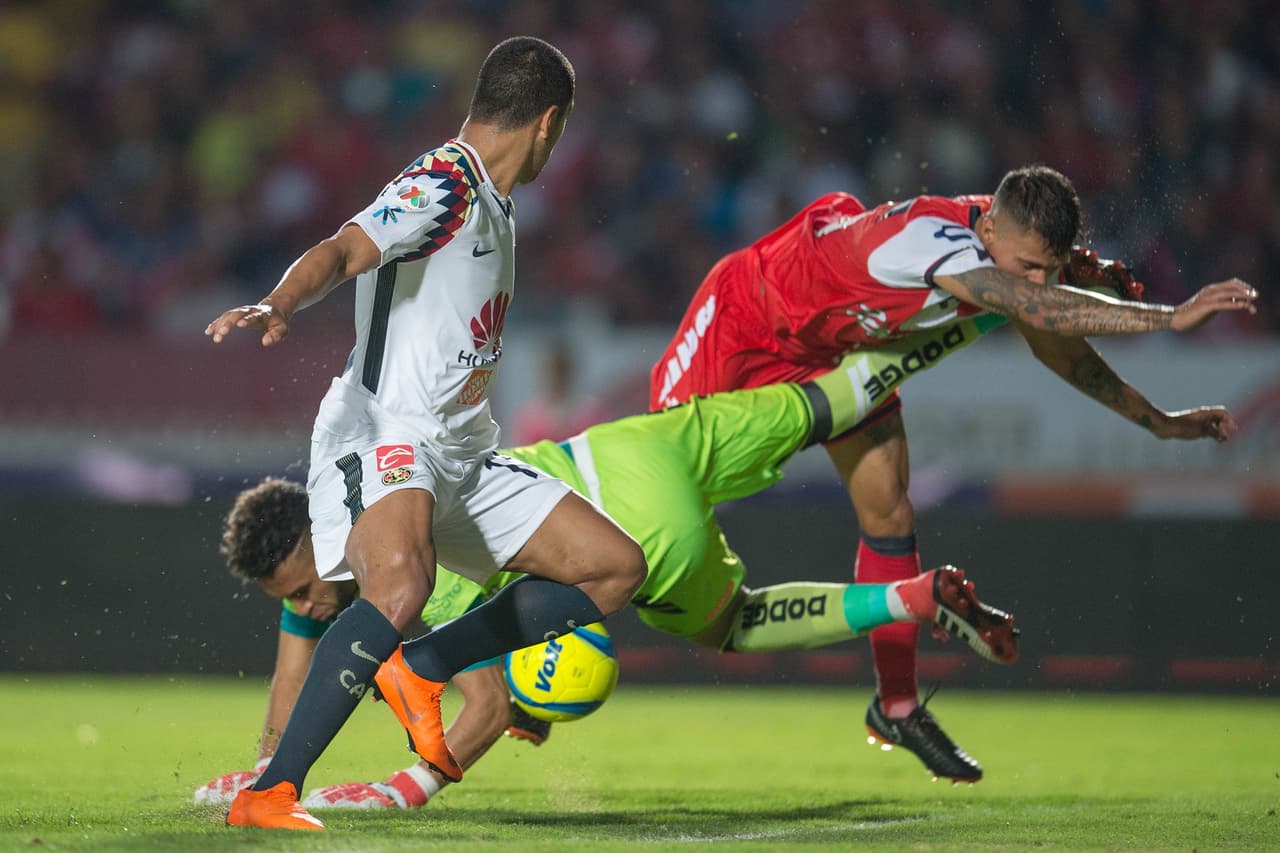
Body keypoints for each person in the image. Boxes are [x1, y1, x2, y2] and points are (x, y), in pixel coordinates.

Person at [195, 318, 1020, 809]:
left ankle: (897, 601)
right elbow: (293, 671)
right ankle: (985, 314)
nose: (308, 600)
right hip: (642, 444)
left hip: (626, 537)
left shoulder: (404, 554)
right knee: (835, 398)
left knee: (733, 621)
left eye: (304, 584)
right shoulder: (340, 533)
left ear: (318, 533)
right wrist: (268, 760)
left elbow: (477, 706)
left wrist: (403, 788)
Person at [649, 165, 1258, 782]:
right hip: (747, 319)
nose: (1039, 279)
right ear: (989, 227)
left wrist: (1156, 421)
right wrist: (1169, 318)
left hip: (839, 354)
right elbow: (1038, 309)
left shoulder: (1008, 250)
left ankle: (898, 707)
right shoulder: (934, 245)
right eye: (1028, 266)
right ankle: (557, 625)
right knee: (656, 500)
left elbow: (1057, 343)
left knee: (889, 509)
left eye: (1050, 267)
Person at [204, 37, 648, 831]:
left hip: (463, 451)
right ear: (550, 124)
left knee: (614, 570)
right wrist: (280, 301)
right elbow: (345, 247)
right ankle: (271, 792)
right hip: (386, 429)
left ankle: (424, 665)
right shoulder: (444, 180)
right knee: (400, 585)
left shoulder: (497, 206)